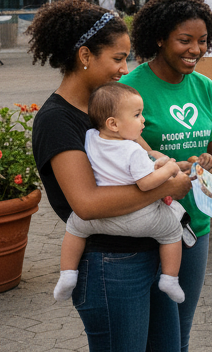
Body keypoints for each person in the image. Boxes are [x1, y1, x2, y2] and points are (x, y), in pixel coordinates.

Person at [30, 0, 192, 352]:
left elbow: (144, 160)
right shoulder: (57, 120)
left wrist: (171, 167)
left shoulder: (107, 110)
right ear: (85, 55)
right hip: (108, 267)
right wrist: (166, 186)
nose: (125, 68)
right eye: (118, 58)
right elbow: (86, 204)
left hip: (149, 255)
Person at [119, 0, 212, 352]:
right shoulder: (129, 91)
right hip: (144, 230)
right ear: (160, 39)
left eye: (201, 41)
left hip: (193, 229)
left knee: (178, 334)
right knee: (143, 342)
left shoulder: (203, 88)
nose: (195, 50)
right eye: (185, 40)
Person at [53, 83, 185, 304]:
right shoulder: (132, 149)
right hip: (136, 217)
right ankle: (170, 279)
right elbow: (145, 184)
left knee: (74, 228)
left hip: (96, 219)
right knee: (172, 231)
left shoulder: (90, 137)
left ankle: (67, 274)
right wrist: (171, 169)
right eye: (137, 115)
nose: (143, 120)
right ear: (113, 124)